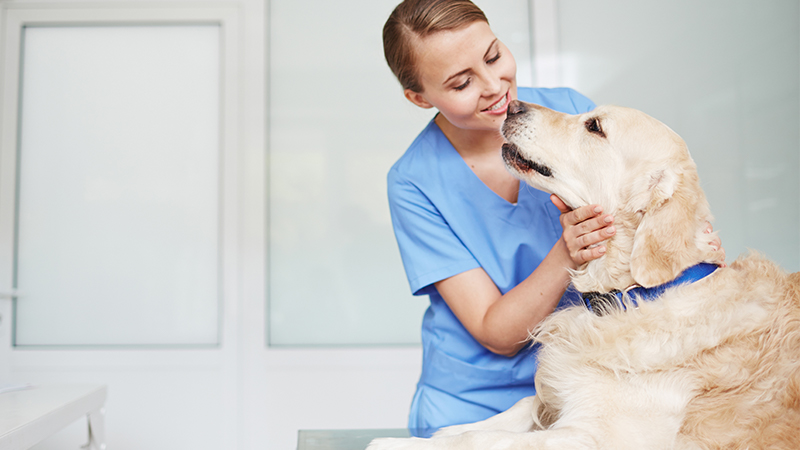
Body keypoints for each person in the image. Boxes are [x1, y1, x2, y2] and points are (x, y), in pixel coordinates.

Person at [382, 0, 722, 434]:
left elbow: (637, 222)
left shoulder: (571, 114)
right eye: (462, 83)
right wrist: (568, 252)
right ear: (419, 97)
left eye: (493, 56)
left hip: (593, 379)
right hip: (475, 405)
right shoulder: (414, 182)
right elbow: (495, 332)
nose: (494, 86)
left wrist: (690, 243)